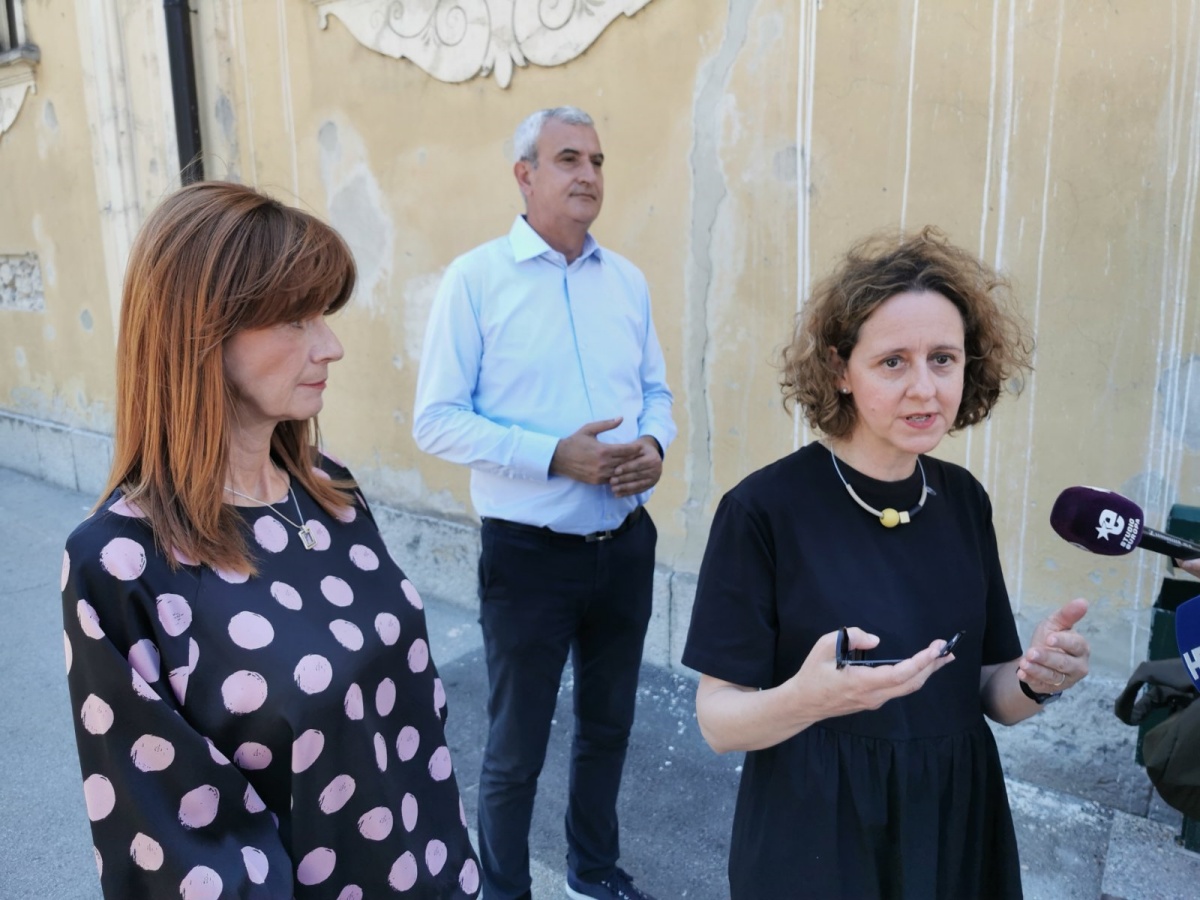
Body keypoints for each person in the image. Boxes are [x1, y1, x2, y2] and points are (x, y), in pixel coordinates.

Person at [61, 181, 480, 898]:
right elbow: (175, 843)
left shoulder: (328, 488)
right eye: (295, 319)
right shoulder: (121, 564)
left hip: (437, 873)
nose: (331, 346)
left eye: (323, 315)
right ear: (199, 332)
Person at [681, 227, 1092, 899]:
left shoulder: (963, 500)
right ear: (840, 369)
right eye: (893, 362)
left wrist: (1038, 679)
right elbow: (718, 722)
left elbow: (992, 695)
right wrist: (807, 699)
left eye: (943, 359)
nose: (924, 388)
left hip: (954, 827)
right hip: (816, 838)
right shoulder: (763, 510)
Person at [412, 106, 675, 900]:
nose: (589, 174)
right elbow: (436, 419)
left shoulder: (627, 282)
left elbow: (656, 393)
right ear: (524, 174)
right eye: (569, 158)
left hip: (624, 544)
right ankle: (504, 890)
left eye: (597, 160)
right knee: (516, 747)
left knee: (608, 727)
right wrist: (553, 455)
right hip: (529, 555)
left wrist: (654, 447)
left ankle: (592, 873)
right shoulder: (476, 280)